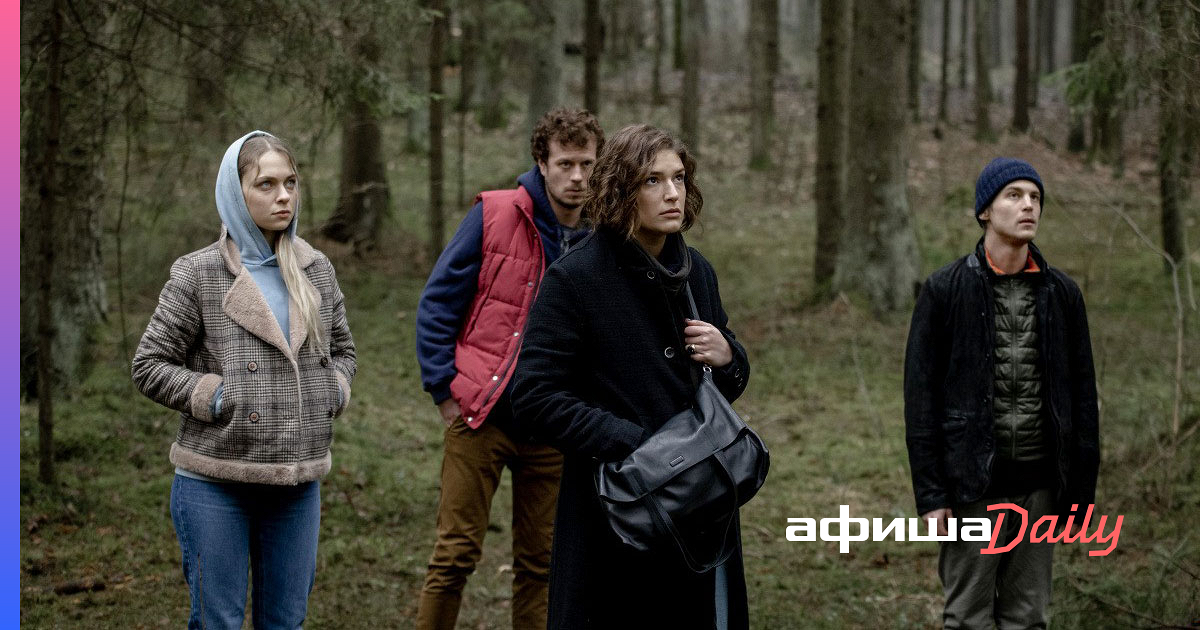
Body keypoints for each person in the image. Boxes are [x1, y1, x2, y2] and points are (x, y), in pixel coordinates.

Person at [510, 124, 752, 629]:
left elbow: (723, 388)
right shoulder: (574, 278)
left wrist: (729, 357)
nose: (672, 193)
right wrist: (634, 443)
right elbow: (534, 396)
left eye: (679, 178)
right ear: (620, 190)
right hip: (615, 513)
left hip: (698, 508)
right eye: (652, 181)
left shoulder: (697, 272)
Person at [132, 131, 356, 629]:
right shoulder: (198, 273)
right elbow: (149, 364)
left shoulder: (316, 269)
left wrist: (333, 390)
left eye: (290, 183)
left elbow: (343, 350)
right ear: (236, 193)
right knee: (219, 622)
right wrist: (215, 396)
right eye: (266, 184)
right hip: (215, 482)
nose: (283, 196)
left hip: (296, 481)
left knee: (286, 622)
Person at [413, 107, 605, 629]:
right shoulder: (496, 213)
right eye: (565, 163)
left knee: (542, 566)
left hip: (554, 427)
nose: (577, 177)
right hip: (481, 413)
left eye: (587, 164)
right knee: (454, 556)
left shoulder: (604, 237)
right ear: (541, 162)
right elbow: (438, 302)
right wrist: (444, 390)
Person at [904, 157, 1100, 629]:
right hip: (972, 487)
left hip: (1040, 489)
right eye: (1014, 195)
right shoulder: (944, 291)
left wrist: (1080, 495)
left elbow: (1082, 399)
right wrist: (931, 495)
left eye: (1035, 197)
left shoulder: (1063, 295)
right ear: (985, 211)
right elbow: (921, 401)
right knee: (967, 618)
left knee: (1028, 618)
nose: (1028, 205)